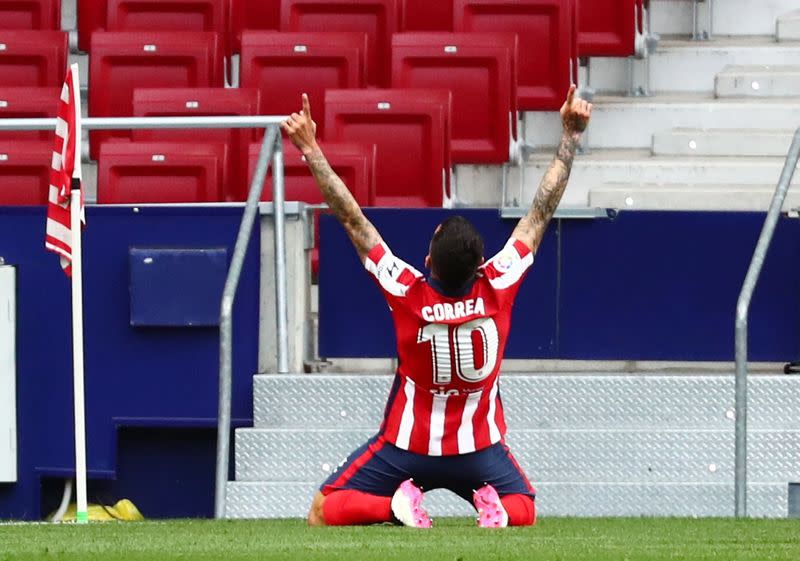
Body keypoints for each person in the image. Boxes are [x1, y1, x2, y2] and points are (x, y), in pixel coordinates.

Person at [281, 86, 592, 528]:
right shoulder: (498, 281)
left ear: (428, 262)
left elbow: (352, 219)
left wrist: (310, 147)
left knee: (323, 511)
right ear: (481, 265)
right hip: (479, 450)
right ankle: (496, 511)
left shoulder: (408, 291)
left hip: (406, 447)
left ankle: (394, 507)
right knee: (526, 511)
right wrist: (569, 137)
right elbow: (540, 213)